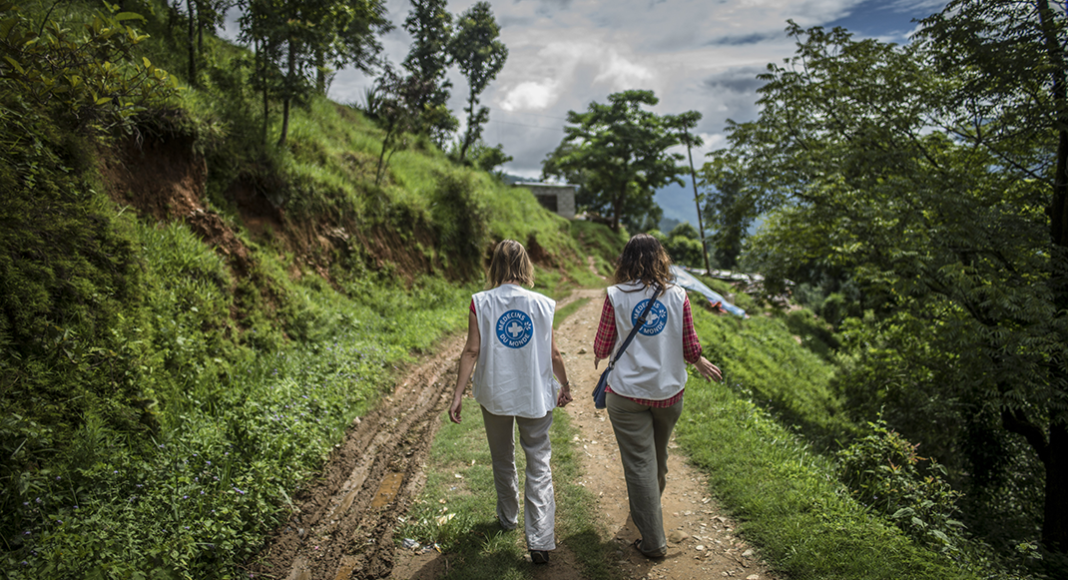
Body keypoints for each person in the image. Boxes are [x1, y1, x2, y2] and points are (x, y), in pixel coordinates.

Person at [593, 233, 722, 559]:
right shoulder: (678, 295)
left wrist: (599, 353)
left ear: (625, 260)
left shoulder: (615, 295)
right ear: (661, 258)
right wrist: (700, 361)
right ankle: (649, 508)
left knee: (640, 464)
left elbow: (602, 346)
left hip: (627, 395)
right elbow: (690, 346)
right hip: (668, 393)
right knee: (658, 457)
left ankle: (653, 540)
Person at [449, 239, 572, 565]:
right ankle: (540, 539)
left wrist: (458, 393)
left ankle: (508, 517)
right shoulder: (543, 304)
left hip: (496, 394)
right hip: (534, 394)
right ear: (525, 266)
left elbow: (471, 351)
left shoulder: (480, 302)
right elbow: (554, 354)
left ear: (495, 266)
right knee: (539, 461)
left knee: (502, 457)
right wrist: (565, 384)